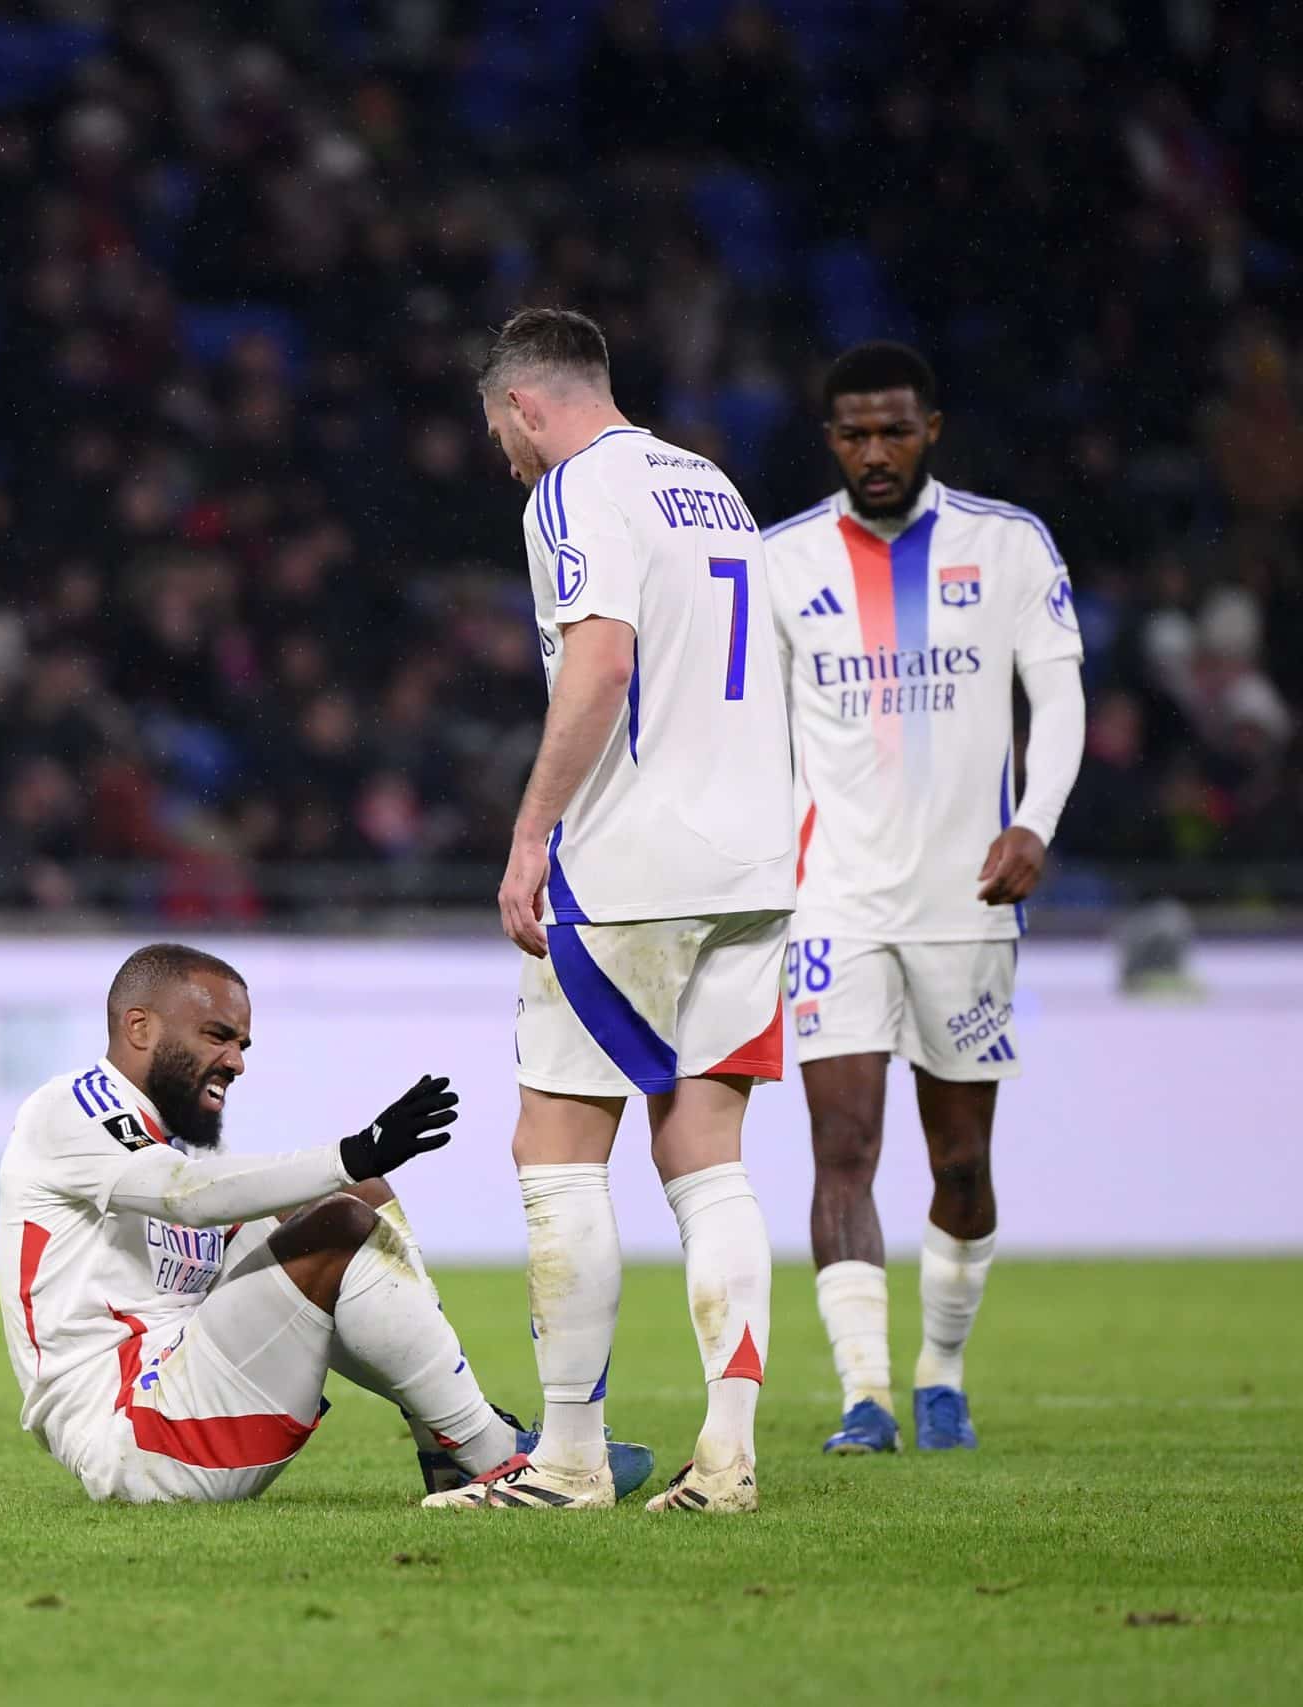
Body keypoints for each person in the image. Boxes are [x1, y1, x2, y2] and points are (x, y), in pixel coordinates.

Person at [428, 309, 793, 1516]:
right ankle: (726, 1461)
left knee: (555, 1150)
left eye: (499, 432)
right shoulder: (713, 486)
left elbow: (600, 663)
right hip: (752, 866)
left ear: (526, 404)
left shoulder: (575, 488)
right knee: (707, 1157)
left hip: (633, 864)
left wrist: (532, 831)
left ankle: (570, 1462)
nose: (504, 458)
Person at [0, 942, 654, 1506]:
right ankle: (492, 1451)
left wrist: (353, 1167)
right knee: (337, 1217)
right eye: (217, 1035)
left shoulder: (180, 1142)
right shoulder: (69, 1110)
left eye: (243, 1043)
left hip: (188, 1390)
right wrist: (350, 1150)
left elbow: (218, 1198)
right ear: (139, 1027)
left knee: (354, 1195)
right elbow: (186, 1197)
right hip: (133, 1435)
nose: (237, 1061)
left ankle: (453, 1441)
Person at [762, 343, 1084, 1456]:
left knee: (959, 1164)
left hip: (966, 903)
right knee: (840, 1148)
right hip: (831, 905)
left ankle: (940, 1371)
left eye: (893, 430)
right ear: (829, 440)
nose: (874, 451)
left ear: (931, 429)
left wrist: (1033, 822)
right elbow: (751, 738)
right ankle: (865, 1398)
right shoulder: (781, 560)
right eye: (853, 434)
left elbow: (1059, 695)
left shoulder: (1004, 547)